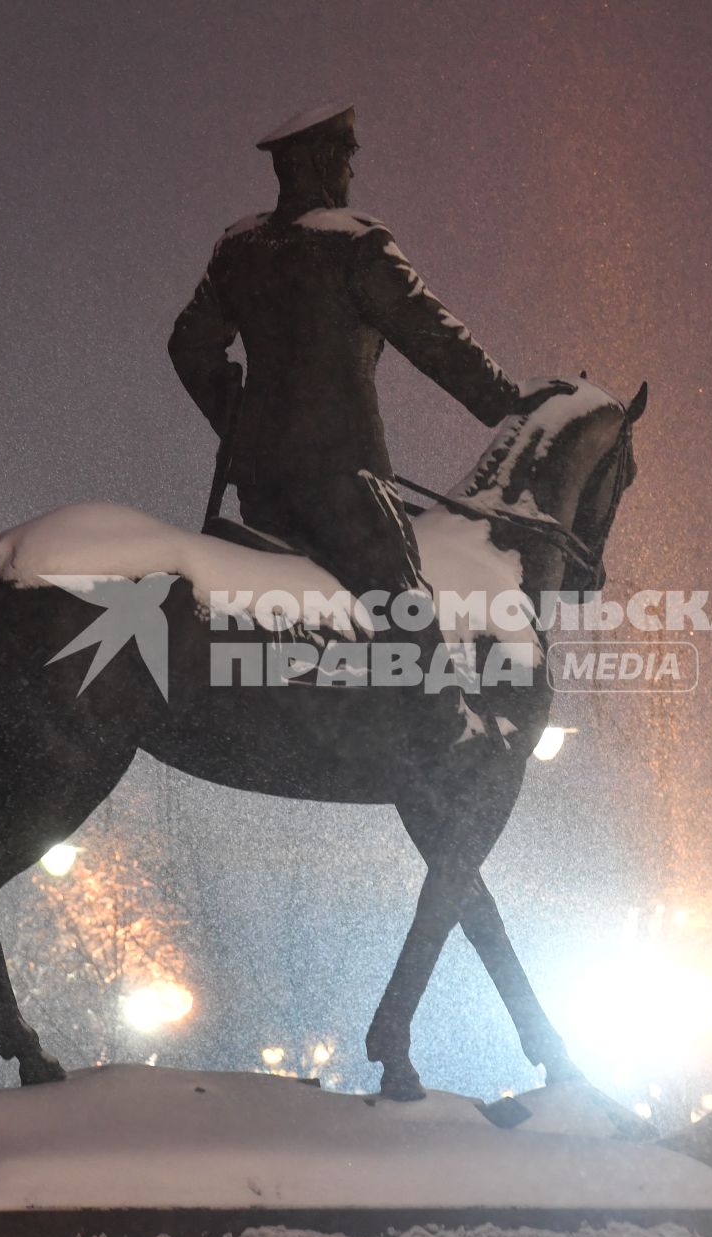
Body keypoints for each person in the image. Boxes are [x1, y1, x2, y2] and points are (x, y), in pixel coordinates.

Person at [168, 104, 569, 755]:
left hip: (262, 490)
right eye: (347, 155)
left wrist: (236, 420)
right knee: (404, 594)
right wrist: (507, 399)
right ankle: (447, 728)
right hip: (342, 478)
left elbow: (189, 347)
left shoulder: (239, 248)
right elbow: (436, 341)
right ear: (325, 163)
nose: (353, 169)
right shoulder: (355, 244)